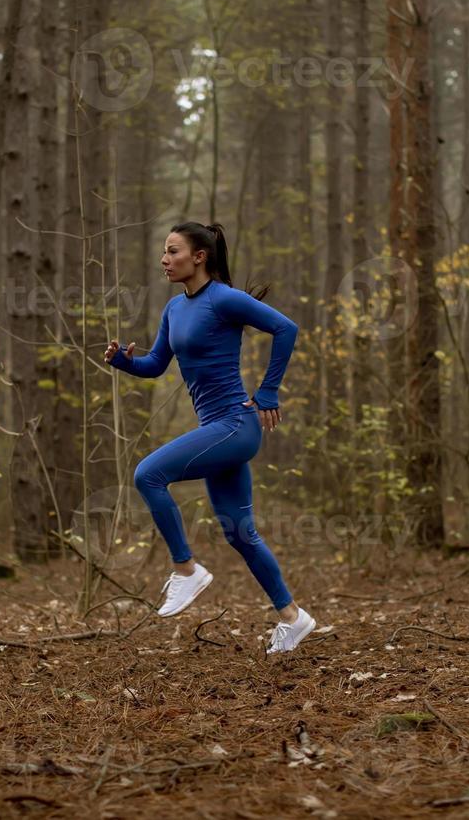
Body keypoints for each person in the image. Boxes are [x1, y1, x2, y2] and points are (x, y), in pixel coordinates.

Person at [104, 221, 316, 654]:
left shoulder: (224, 299)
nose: (164, 260)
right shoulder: (174, 309)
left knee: (148, 475)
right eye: (164, 252)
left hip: (235, 427)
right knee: (240, 533)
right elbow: (155, 365)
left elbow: (286, 329)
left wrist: (269, 390)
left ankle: (186, 569)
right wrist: (126, 364)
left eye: (173, 251)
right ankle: (293, 618)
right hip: (217, 431)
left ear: (199, 257)